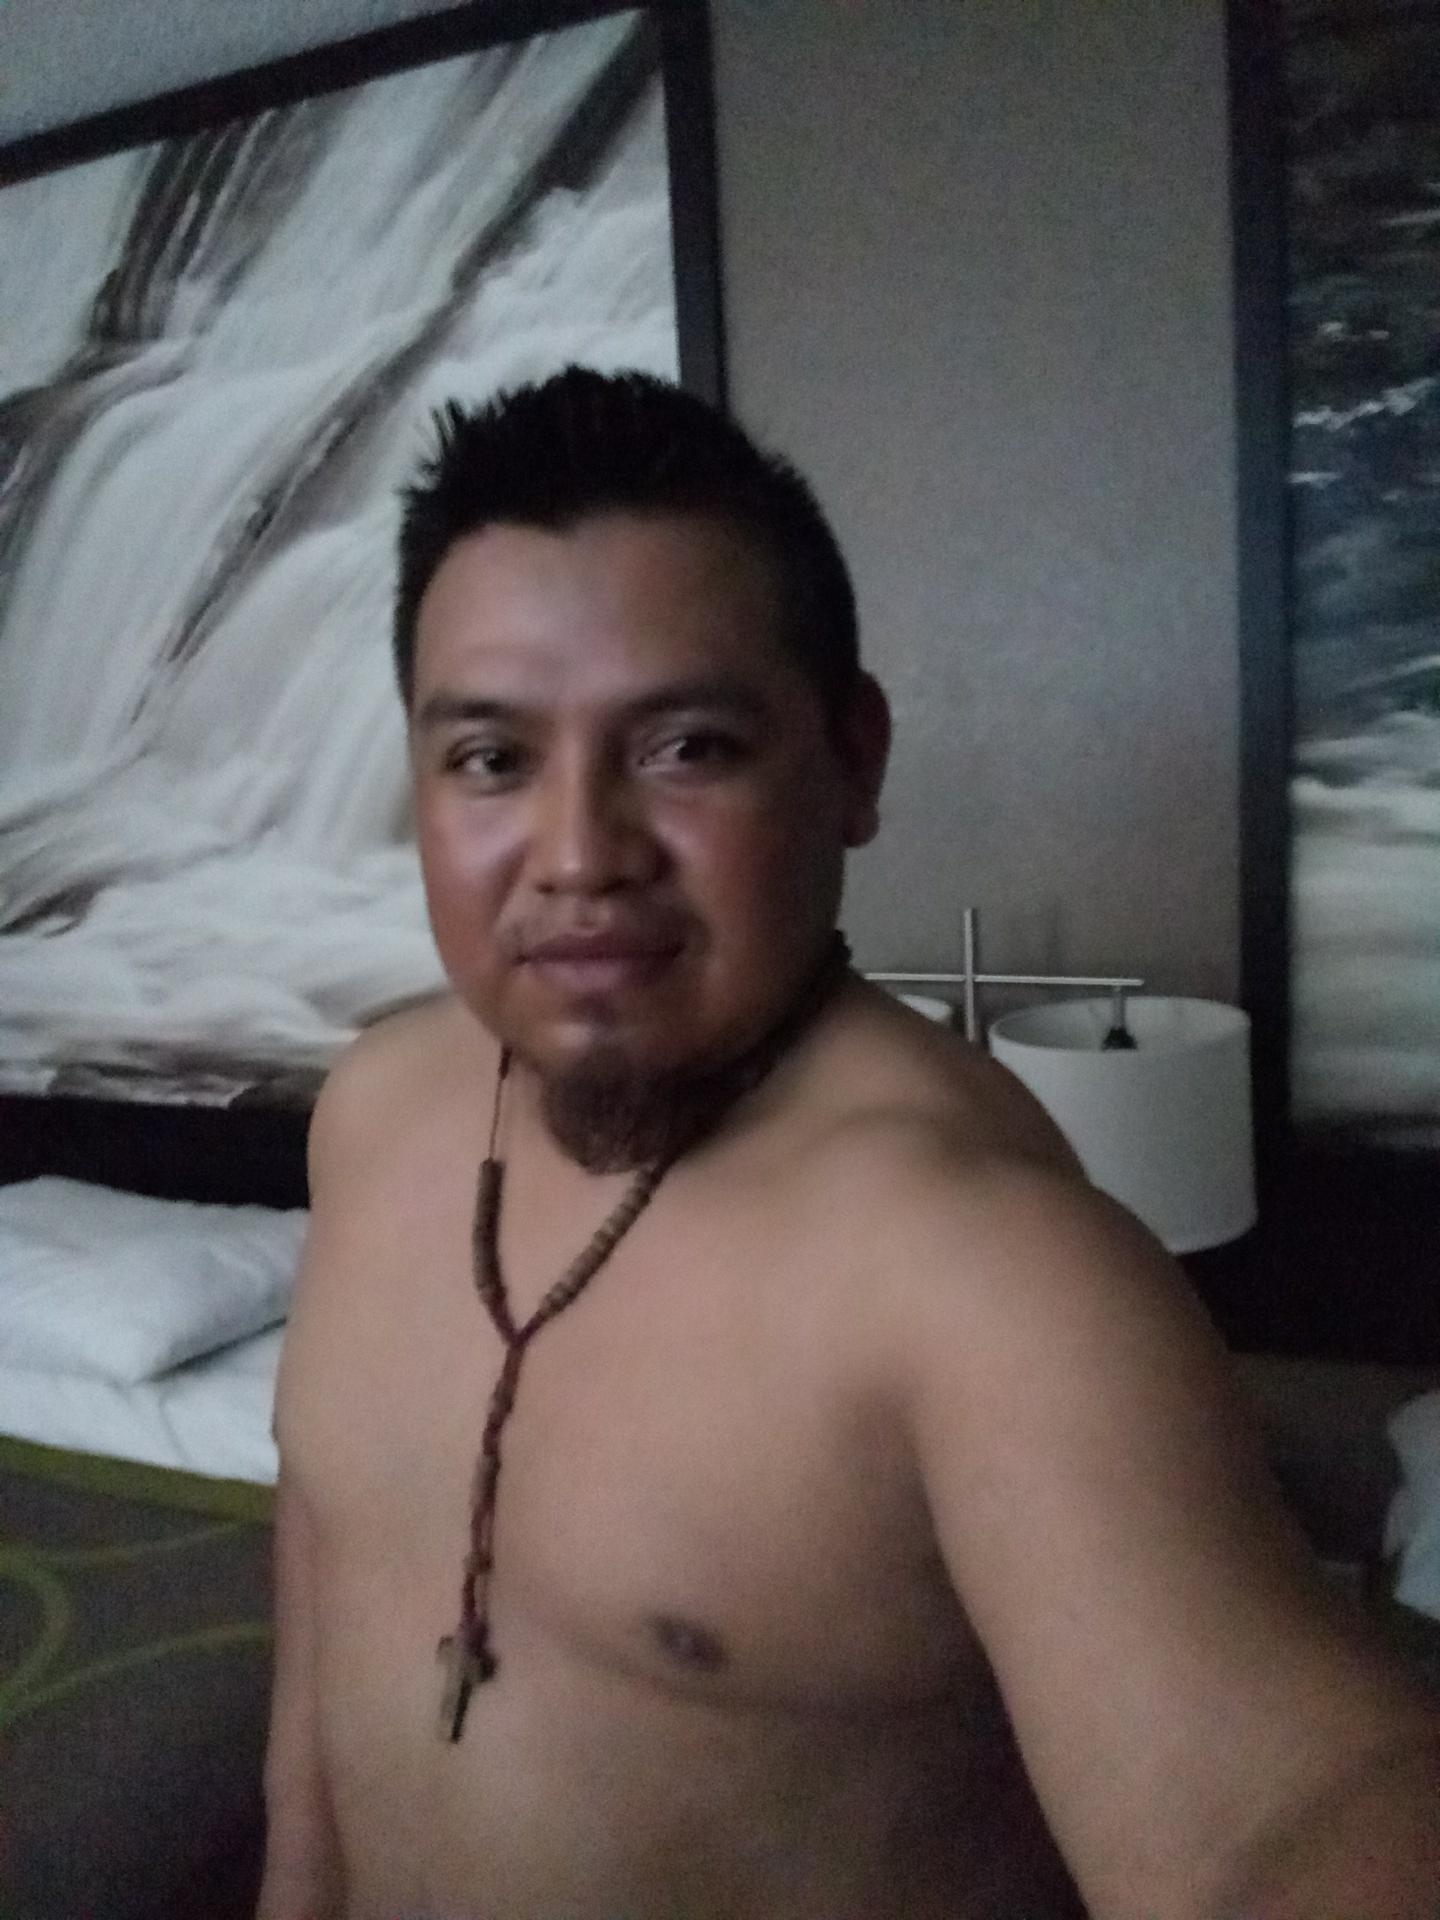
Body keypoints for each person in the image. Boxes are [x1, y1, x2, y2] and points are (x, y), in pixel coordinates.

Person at [259, 366, 1439, 1920]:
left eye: (685, 747)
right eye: (492, 759)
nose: (580, 856)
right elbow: (331, 1592)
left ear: (854, 760)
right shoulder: (370, 1112)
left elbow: (1279, 1813)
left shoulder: (980, 1264)